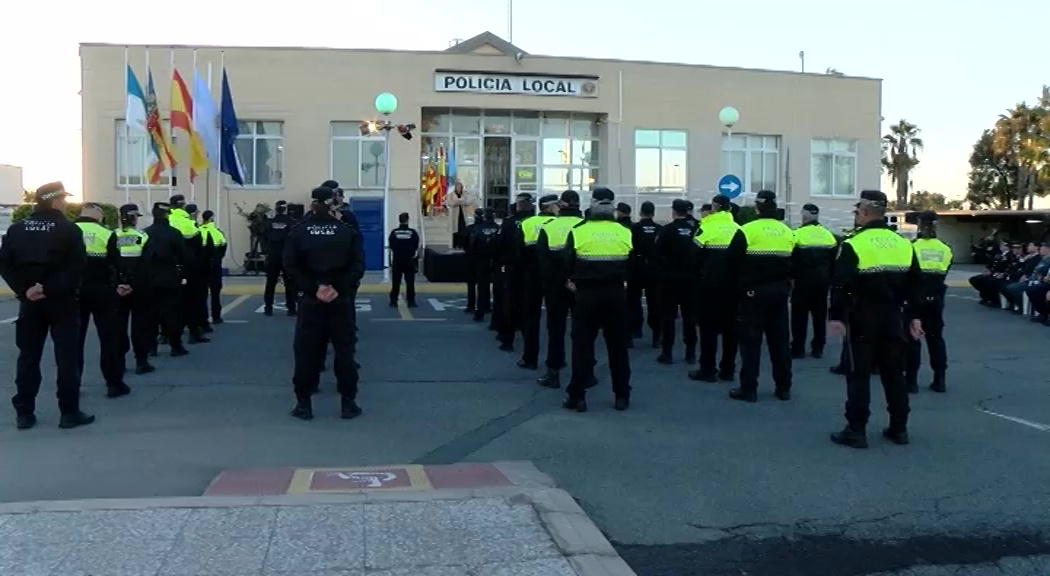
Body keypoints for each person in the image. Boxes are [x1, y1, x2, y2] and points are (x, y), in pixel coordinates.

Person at [829, 190, 924, 449]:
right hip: (896, 317)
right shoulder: (904, 244)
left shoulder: (854, 244)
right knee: (894, 374)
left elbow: (841, 284)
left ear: (866, 212)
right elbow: (916, 284)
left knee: (859, 374)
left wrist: (836, 316)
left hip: (862, 317)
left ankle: (856, 430)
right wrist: (915, 316)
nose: (856, 215)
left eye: (857, 210)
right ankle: (899, 428)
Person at [0, 182, 94, 429]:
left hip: (30, 303)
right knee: (66, 358)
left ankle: (24, 413)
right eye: (62, 199)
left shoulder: (17, 229)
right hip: (62, 302)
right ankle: (69, 412)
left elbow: (5, 264)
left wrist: (26, 290)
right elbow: (77, 268)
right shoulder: (68, 229)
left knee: (28, 356)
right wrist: (49, 288)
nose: (64, 203)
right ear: (54, 201)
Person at [284, 186, 366, 420]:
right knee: (344, 352)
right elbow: (358, 266)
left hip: (311, 302)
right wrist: (337, 288)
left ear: (312, 204)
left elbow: (290, 266)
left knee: (306, 353)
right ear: (333, 204)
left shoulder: (298, 232)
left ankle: (303, 404)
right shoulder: (346, 231)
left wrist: (313, 288)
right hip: (339, 300)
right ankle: (348, 404)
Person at [562, 187, 633, 413]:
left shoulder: (579, 231)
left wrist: (572, 281)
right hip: (615, 294)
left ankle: (578, 397)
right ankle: (621, 395)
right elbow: (634, 265)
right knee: (618, 347)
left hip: (586, 295)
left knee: (582, 346)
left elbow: (567, 263)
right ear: (613, 205)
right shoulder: (624, 231)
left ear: (591, 204)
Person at [730, 190, 796, 403]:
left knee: (751, 343)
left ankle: (749, 389)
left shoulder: (747, 230)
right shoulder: (787, 231)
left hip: (753, 295)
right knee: (780, 342)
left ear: (757, 207)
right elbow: (796, 262)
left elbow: (732, 262)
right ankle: (783, 387)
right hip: (779, 293)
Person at [74, 203, 129, 398]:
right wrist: (122, 284)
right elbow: (116, 264)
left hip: (74, 292)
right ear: (99, 215)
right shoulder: (105, 233)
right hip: (102, 292)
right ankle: (113, 383)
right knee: (108, 339)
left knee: (74, 341)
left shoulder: (69, 231)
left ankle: (73, 384)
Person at [688, 194, 745, 383]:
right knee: (731, 329)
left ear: (714, 207)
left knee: (708, 329)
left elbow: (693, 257)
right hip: (733, 287)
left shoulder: (706, 227)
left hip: (709, 286)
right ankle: (728, 369)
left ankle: (708, 369)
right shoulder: (739, 229)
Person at [536, 190, 583, 388]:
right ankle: (583, 375)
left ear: (560, 205)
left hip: (556, 286)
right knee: (582, 332)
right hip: (582, 286)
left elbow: (542, 261)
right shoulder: (585, 227)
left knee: (556, 330)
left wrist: (554, 282)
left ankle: (553, 373)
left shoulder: (550, 227)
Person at [906, 211, 953, 394]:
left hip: (914, 297)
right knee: (936, 340)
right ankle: (939, 379)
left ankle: (911, 381)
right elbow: (945, 271)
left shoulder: (911, 247)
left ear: (919, 225)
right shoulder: (945, 248)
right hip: (936, 297)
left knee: (912, 339)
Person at [516, 194, 559, 370]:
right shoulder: (557, 225)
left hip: (531, 274)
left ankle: (530, 357)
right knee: (554, 320)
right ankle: (555, 360)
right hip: (552, 276)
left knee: (531, 318)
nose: (558, 208)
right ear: (549, 207)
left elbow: (519, 251)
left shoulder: (527, 223)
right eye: (556, 205)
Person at [790, 203, 837, 359]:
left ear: (803, 216)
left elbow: (792, 260)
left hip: (802, 282)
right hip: (822, 283)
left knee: (799, 317)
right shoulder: (828, 235)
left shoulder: (796, 234)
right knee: (819, 316)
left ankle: (798, 348)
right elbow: (834, 261)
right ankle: (818, 348)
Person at [142, 203, 190, 357]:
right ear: (166, 215)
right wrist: (183, 274)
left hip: (149, 278)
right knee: (172, 313)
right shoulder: (174, 233)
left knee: (151, 314)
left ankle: (151, 347)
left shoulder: (145, 233)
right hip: (170, 277)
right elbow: (183, 256)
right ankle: (175, 346)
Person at [655, 199, 698, 365]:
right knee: (689, 317)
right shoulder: (695, 229)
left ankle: (667, 352)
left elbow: (656, 254)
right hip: (691, 279)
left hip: (670, 279)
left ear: (673, 211)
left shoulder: (666, 230)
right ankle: (691, 353)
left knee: (668, 317)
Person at [114, 204, 154, 375]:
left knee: (118, 326)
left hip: (118, 288)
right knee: (140, 325)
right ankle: (141, 361)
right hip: (140, 287)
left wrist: (120, 282)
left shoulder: (113, 235)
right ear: (134, 218)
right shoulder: (143, 236)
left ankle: (120, 362)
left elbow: (111, 263)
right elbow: (147, 264)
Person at [168, 195, 209, 343]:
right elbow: (200, 246)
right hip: (189, 268)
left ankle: (166, 334)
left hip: (168, 268)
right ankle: (194, 332)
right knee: (192, 301)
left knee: (169, 303)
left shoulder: (168, 221)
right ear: (183, 205)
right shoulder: (189, 224)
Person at [496, 193, 535, 352]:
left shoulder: (509, 223)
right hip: (531, 269)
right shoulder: (535, 223)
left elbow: (501, 245)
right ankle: (529, 344)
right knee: (530, 306)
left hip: (513, 267)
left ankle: (507, 340)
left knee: (510, 304)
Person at [627, 201, 661, 347]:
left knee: (632, 302)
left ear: (641, 213)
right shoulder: (659, 229)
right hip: (653, 269)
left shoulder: (634, 228)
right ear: (653, 213)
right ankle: (656, 337)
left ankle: (633, 333)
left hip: (636, 269)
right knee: (654, 303)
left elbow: (629, 249)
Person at [263, 200, 298, 316]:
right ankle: (291, 308)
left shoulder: (269, 222)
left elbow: (263, 235)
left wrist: (266, 251)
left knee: (270, 282)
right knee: (289, 283)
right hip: (286, 256)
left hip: (273, 255)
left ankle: (268, 308)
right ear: (286, 209)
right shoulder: (291, 222)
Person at [469, 209, 501, 323]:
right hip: (496, 261)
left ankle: (480, 312)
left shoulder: (478, 228)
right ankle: (494, 312)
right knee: (498, 288)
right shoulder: (498, 228)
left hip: (481, 259)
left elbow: (472, 244)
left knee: (482, 286)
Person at [198, 210, 228, 325]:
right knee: (215, 293)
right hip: (215, 265)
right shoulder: (218, 232)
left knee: (202, 293)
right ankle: (216, 317)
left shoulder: (199, 231)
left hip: (202, 265)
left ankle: (203, 318)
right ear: (211, 218)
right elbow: (224, 248)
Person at [388, 212, 420, 307]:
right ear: (407, 220)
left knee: (396, 281)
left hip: (397, 260)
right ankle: (411, 301)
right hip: (409, 260)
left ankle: (393, 301)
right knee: (410, 282)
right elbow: (416, 244)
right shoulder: (412, 232)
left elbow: (391, 245)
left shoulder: (394, 232)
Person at [968, 240, 1013, 307]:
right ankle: (986, 295)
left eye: (1004, 245)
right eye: (1001, 245)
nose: (1002, 246)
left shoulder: (1010, 255)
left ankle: (994, 299)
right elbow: (991, 263)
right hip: (992, 273)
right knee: (974, 279)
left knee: (989, 281)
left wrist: (1003, 273)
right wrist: (987, 269)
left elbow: (1010, 267)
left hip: (1000, 275)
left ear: (1008, 247)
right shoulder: (998, 254)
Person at [1002, 242, 1041, 313]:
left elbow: (1033, 270)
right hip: (1019, 276)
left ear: (1036, 247)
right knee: (1004, 285)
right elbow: (1017, 267)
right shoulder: (1027, 257)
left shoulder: (1038, 258)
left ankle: (1021, 305)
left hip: (1030, 279)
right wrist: (1022, 260)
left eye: (1030, 245)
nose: (1027, 247)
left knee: (1011, 287)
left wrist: (1026, 276)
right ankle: (1014, 304)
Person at [446, 180, 478, 249]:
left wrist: (462, 201)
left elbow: (468, 201)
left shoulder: (465, 194)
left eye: (460, 187)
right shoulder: (451, 195)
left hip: (463, 214)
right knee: (455, 230)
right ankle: (455, 245)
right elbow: (449, 203)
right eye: (457, 187)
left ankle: (462, 245)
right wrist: (457, 201)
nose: (459, 188)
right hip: (454, 215)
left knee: (463, 230)